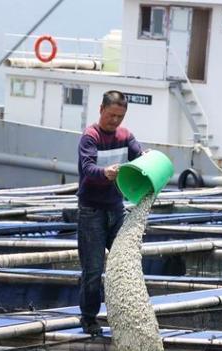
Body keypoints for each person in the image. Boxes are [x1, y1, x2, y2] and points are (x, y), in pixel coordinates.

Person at [77, 90, 143, 336]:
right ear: (101, 109)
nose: (115, 121)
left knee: (127, 263)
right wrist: (104, 173)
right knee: (93, 270)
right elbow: (87, 168)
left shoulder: (125, 136)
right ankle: (89, 318)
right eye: (112, 115)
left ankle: (126, 315)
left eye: (120, 116)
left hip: (116, 209)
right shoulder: (90, 137)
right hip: (91, 211)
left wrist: (147, 159)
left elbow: (140, 155)